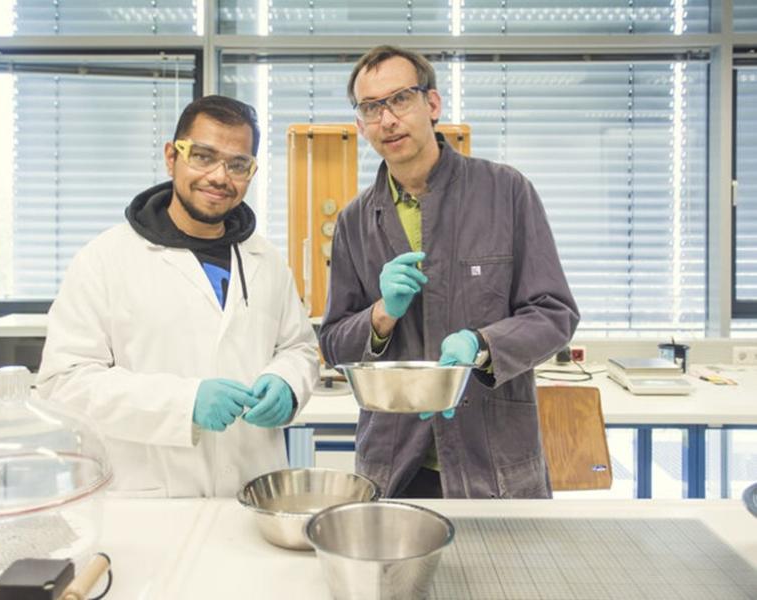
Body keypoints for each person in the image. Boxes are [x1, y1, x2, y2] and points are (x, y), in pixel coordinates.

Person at [319, 46, 579, 499]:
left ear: (432, 104)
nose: (387, 119)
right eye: (371, 108)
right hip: (395, 464)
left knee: (506, 573)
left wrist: (482, 345)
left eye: (400, 99)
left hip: (492, 459)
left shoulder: (506, 192)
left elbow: (554, 315)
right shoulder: (355, 221)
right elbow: (333, 344)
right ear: (360, 125)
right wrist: (380, 316)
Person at [37, 95, 319, 497]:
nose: (220, 176)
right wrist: (185, 403)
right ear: (172, 157)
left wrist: (287, 382)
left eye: (238, 164)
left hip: (254, 496)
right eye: (203, 156)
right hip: (152, 504)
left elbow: (299, 348)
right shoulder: (104, 259)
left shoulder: (266, 259)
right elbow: (63, 385)